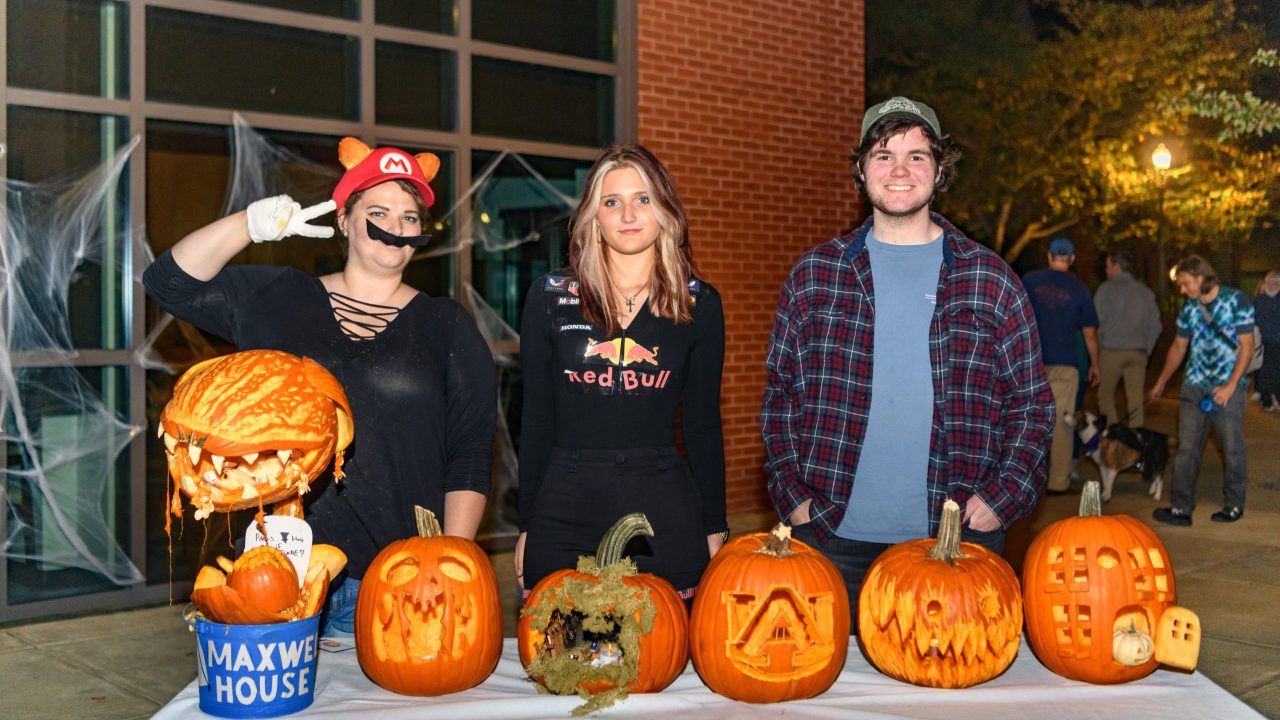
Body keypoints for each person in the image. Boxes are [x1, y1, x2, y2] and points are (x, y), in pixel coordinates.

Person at [144, 139, 498, 633]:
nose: (395, 227)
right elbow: (167, 282)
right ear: (345, 220)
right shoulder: (281, 299)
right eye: (378, 212)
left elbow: (470, 455)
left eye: (409, 217)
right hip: (275, 579)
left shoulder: (446, 325)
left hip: (398, 583)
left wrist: (449, 565)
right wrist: (249, 225)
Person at [761, 96, 1054, 625]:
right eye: (883, 154)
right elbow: (781, 399)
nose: (899, 169)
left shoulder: (990, 279)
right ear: (861, 170)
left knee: (955, 669)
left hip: (956, 544)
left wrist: (1002, 498)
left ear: (939, 170)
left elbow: (1032, 406)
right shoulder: (815, 275)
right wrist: (793, 499)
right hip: (830, 537)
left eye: (916, 156)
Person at [516, 143, 726, 600]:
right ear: (594, 216)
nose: (628, 214)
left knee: (662, 638)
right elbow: (536, 418)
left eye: (642, 199)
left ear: (664, 211)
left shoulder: (699, 303)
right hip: (565, 501)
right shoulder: (550, 295)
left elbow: (703, 426)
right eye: (612, 202)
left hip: (662, 505)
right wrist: (527, 523)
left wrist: (715, 527)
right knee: (561, 641)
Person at [1149, 255, 1256, 525]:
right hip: (1194, 386)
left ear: (1200, 278)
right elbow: (1178, 346)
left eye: (1185, 283)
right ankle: (1181, 508)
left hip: (1227, 387)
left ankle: (1234, 504)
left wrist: (1230, 386)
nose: (1182, 290)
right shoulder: (1190, 307)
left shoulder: (1236, 301)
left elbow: (1247, 346)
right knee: (1187, 449)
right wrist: (1161, 381)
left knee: (1232, 448)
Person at [1022, 237, 1100, 495]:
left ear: (1049, 255)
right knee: (1062, 423)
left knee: (1028, 420)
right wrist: (1095, 364)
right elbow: (1090, 333)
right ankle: (1058, 482)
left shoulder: (1029, 281)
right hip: (1065, 364)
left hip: (1030, 362)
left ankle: (1022, 479)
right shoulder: (1080, 290)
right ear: (1072, 259)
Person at [1093, 250, 1163, 427]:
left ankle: (1114, 433)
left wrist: (1099, 347)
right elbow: (1155, 325)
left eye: (1108, 266)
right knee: (1136, 399)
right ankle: (1136, 436)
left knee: (1105, 395)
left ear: (1116, 267)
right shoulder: (1145, 292)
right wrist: (1147, 348)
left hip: (1111, 351)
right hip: (1138, 352)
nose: (1106, 270)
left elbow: (1095, 322)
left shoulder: (1105, 290)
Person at [1254, 270, 1280, 411]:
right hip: (1263, 341)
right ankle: (1266, 400)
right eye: (1270, 282)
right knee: (1264, 371)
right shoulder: (1258, 300)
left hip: (1278, 341)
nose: (1272, 284)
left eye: (1276, 282)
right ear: (1265, 283)